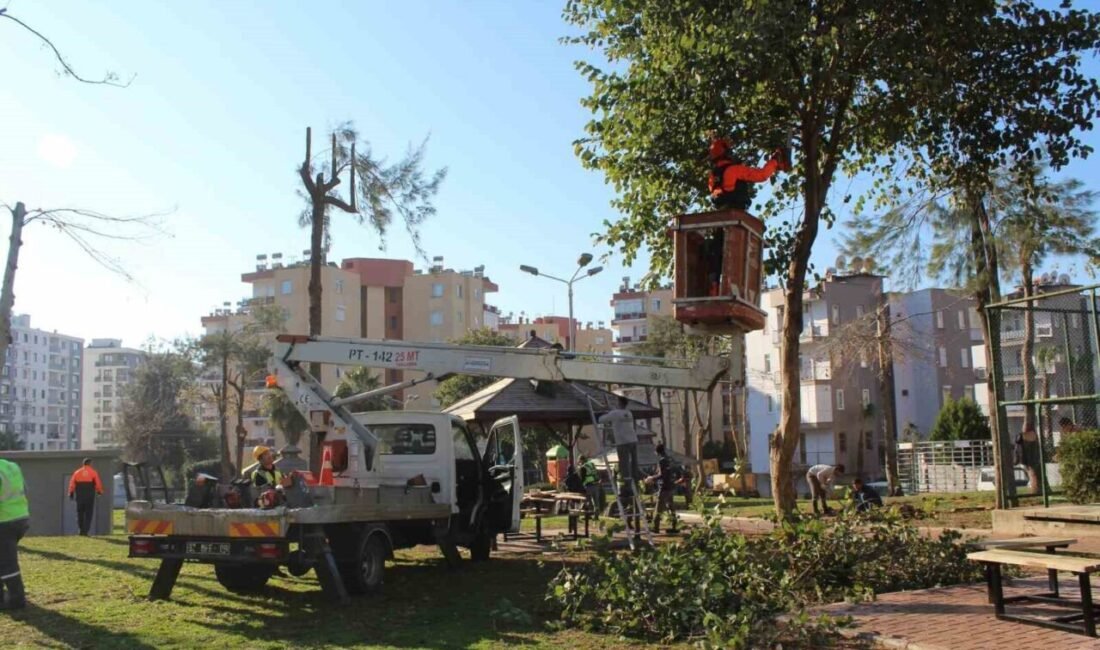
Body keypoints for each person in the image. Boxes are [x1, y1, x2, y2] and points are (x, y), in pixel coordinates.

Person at [707, 136, 790, 210]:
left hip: (721, 213)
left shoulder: (712, 176)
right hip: (735, 211)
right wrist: (775, 161)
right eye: (730, 152)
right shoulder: (733, 170)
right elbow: (762, 175)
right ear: (726, 153)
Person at [0, 457, 29, 610]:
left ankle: (17, 601)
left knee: (7, 563)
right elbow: (25, 490)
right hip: (20, 518)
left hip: (4, 521)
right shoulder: (11, 466)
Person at [599, 396, 641, 484]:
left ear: (619, 403)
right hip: (633, 440)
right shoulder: (628, 413)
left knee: (624, 462)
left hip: (623, 441)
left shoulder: (614, 414)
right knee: (634, 461)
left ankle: (626, 480)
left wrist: (605, 412)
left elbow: (601, 420)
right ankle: (635, 477)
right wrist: (609, 408)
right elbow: (617, 412)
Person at [67, 458, 103, 536]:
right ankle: (85, 531)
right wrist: (99, 492)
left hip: (80, 495)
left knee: (80, 513)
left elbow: (72, 483)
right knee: (88, 513)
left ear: (83, 463)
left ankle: (80, 530)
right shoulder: (93, 472)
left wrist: (71, 493)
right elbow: (98, 483)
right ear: (90, 464)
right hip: (89, 495)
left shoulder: (77, 472)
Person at [648, 444, 679, 534]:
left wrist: (652, 478)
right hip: (671, 486)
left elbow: (662, 475)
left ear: (657, 452)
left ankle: (655, 527)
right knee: (671, 507)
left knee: (658, 508)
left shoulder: (662, 461)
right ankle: (675, 526)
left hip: (664, 487)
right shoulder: (670, 459)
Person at [579, 455, 603, 519]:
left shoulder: (583, 467)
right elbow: (596, 473)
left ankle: (588, 515)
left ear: (582, 460)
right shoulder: (592, 464)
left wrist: (581, 486)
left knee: (587, 501)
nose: (579, 462)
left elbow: (582, 478)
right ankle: (596, 516)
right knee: (596, 502)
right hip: (596, 485)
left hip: (588, 486)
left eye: (580, 461)